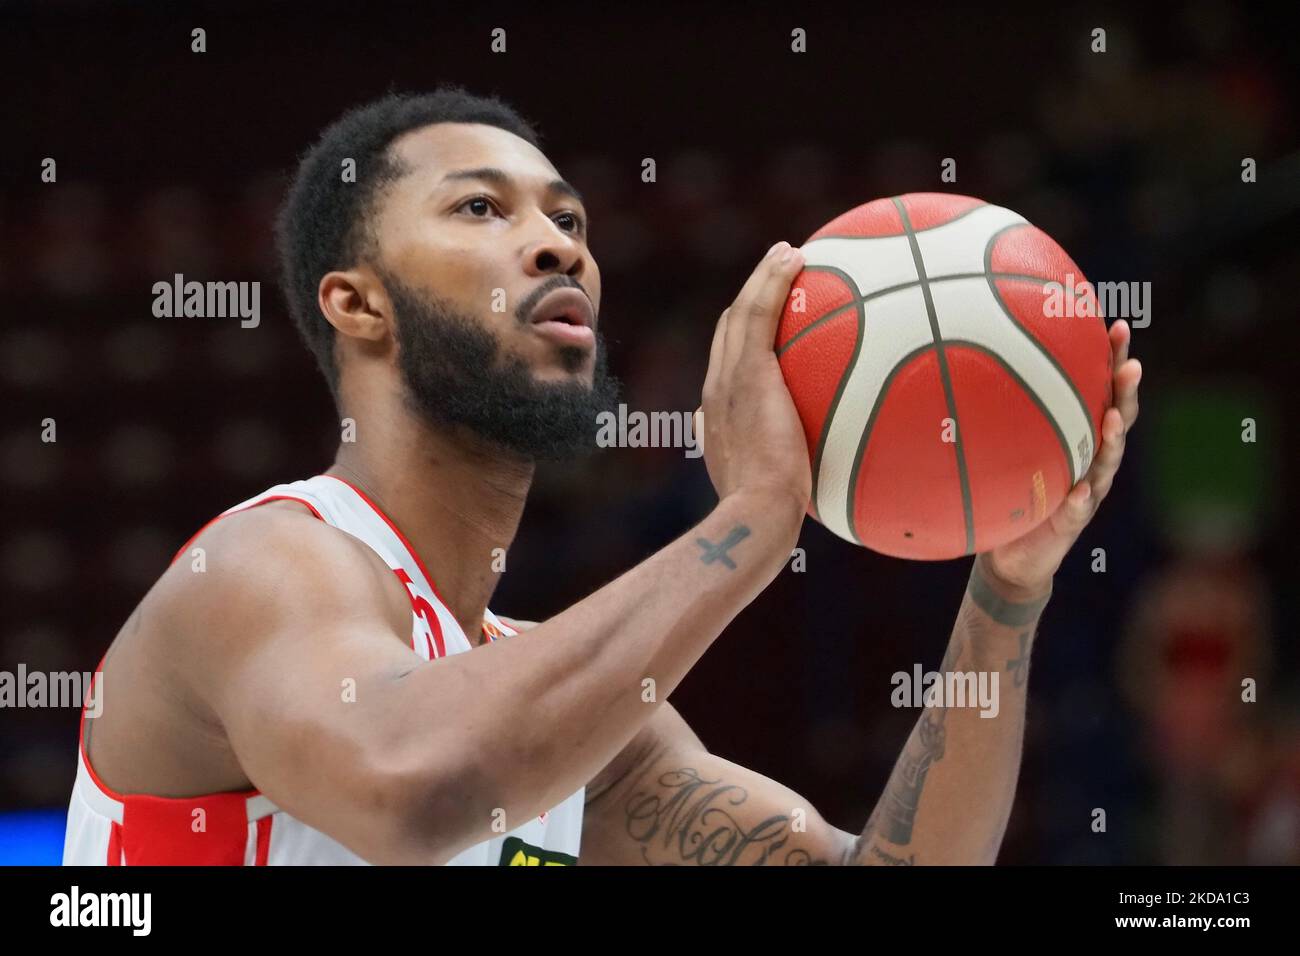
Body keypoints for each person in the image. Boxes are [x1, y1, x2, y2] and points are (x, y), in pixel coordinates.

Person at [63, 87, 1142, 866]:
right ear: (358, 302)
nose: (555, 245)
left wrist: (1005, 592)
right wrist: (758, 517)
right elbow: (409, 791)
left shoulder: (577, 724)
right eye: (481, 209)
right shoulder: (258, 562)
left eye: (567, 219)